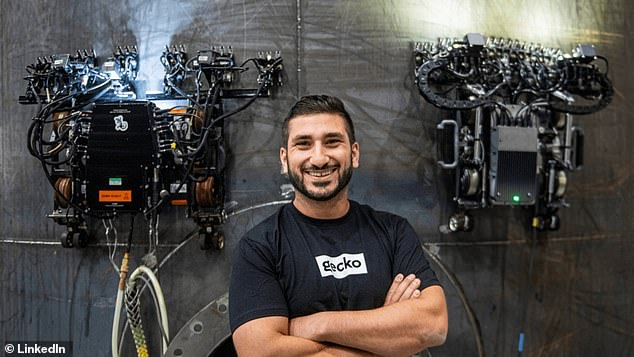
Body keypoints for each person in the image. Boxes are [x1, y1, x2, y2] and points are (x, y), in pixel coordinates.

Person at [229, 95, 448, 356]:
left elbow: (432, 326)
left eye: (332, 142)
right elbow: (259, 351)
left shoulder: (394, 232)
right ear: (284, 160)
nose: (319, 158)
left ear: (354, 154)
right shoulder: (261, 247)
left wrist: (317, 325)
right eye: (304, 144)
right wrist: (386, 341)